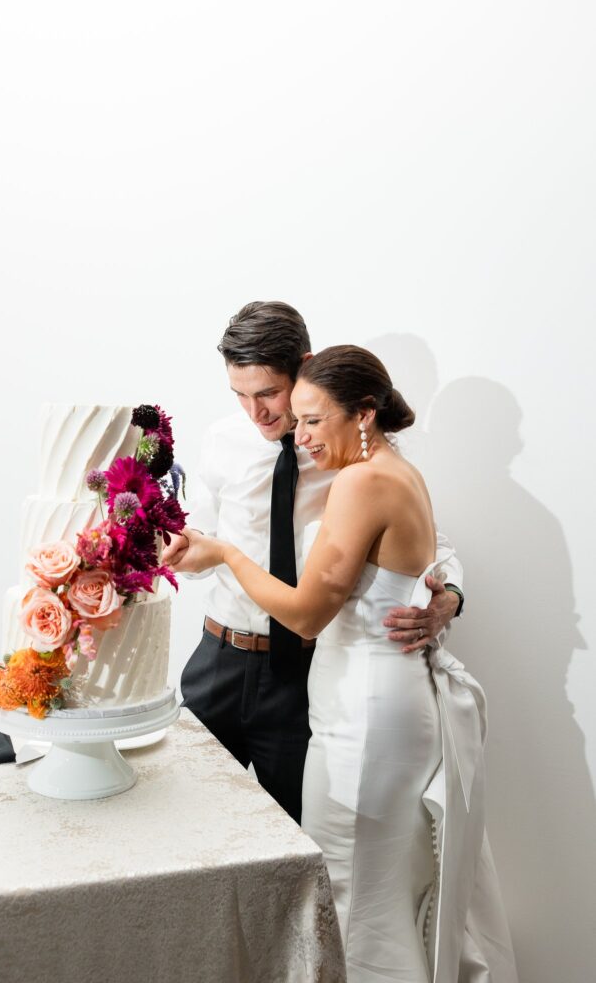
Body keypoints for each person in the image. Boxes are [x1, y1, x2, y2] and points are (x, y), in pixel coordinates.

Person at [166, 344, 518, 983]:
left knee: (349, 890)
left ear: (360, 412)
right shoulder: (373, 461)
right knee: (359, 886)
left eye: (302, 416)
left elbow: (307, 613)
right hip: (259, 672)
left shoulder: (359, 475)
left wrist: (225, 556)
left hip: (361, 708)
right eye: (242, 397)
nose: (291, 432)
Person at [163, 302, 463, 828]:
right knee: (187, 825)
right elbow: (204, 542)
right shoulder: (221, 441)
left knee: (303, 845)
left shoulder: (349, 452)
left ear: (302, 366)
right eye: (239, 395)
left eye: (267, 394)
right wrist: (182, 551)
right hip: (220, 660)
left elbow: (431, 545)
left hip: (302, 674)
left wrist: (450, 600)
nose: (255, 414)